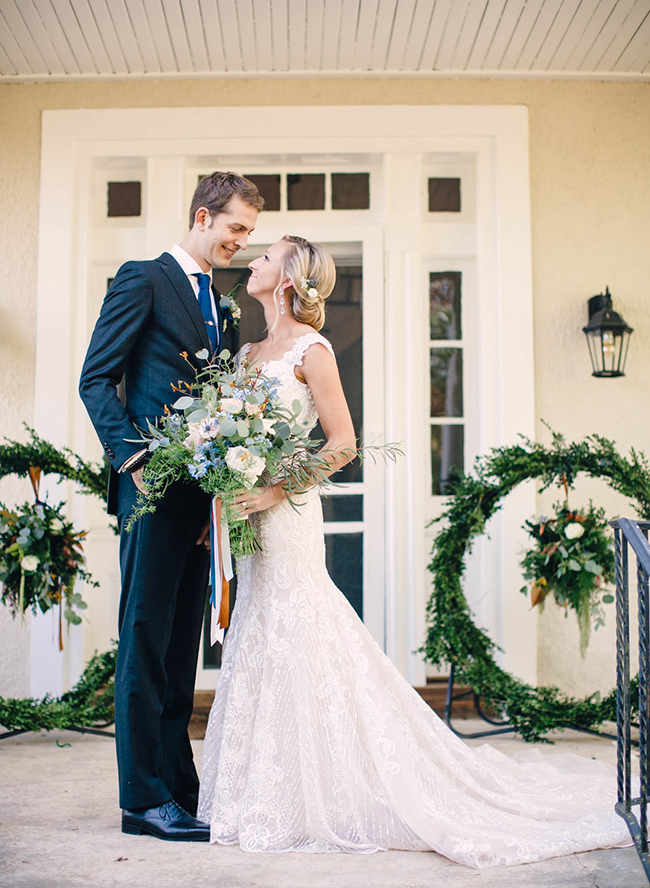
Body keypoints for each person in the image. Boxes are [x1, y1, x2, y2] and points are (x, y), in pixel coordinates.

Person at [197, 235, 630, 867]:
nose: (253, 261)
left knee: (299, 628)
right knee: (259, 631)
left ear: (287, 278)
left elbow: (342, 443)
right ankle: (264, 788)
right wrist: (226, 489)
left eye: (265, 257)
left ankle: (334, 787)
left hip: (286, 514)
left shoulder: (311, 351)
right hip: (246, 515)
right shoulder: (246, 352)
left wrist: (274, 490)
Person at [79, 172, 263, 842]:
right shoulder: (144, 277)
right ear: (202, 215)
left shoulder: (219, 301)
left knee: (182, 647)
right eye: (236, 229)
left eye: (249, 234)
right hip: (152, 491)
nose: (241, 244)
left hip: (201, 500)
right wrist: (135, 461)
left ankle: (177, 791)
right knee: (147, 641)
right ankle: (141, 800)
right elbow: (95, 377)